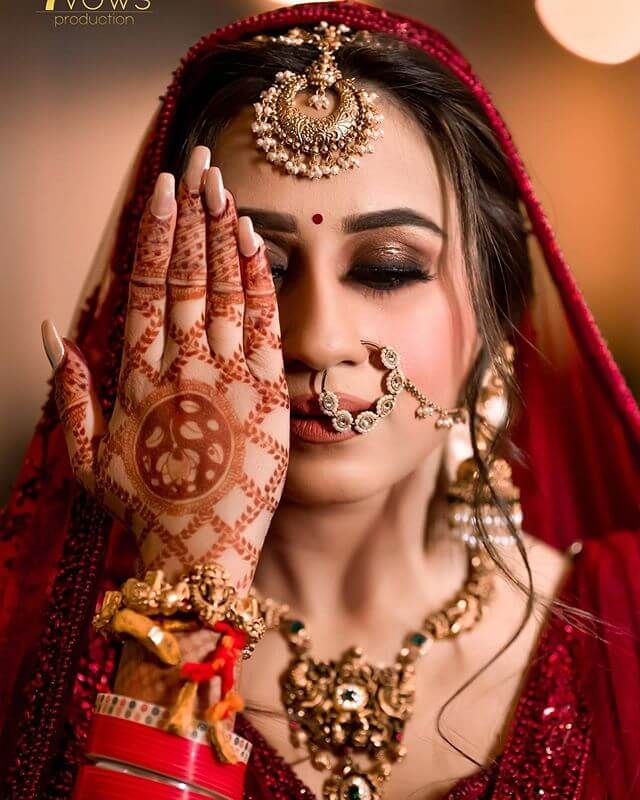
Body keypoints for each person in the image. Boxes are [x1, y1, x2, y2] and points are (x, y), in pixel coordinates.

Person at [1, 2, 639, 798]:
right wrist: (186, 602)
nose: (314, 338)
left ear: (495, 316)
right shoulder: (51, 661)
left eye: (389, 268)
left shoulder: (629, 622)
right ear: (159, 301)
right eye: (259, 268)